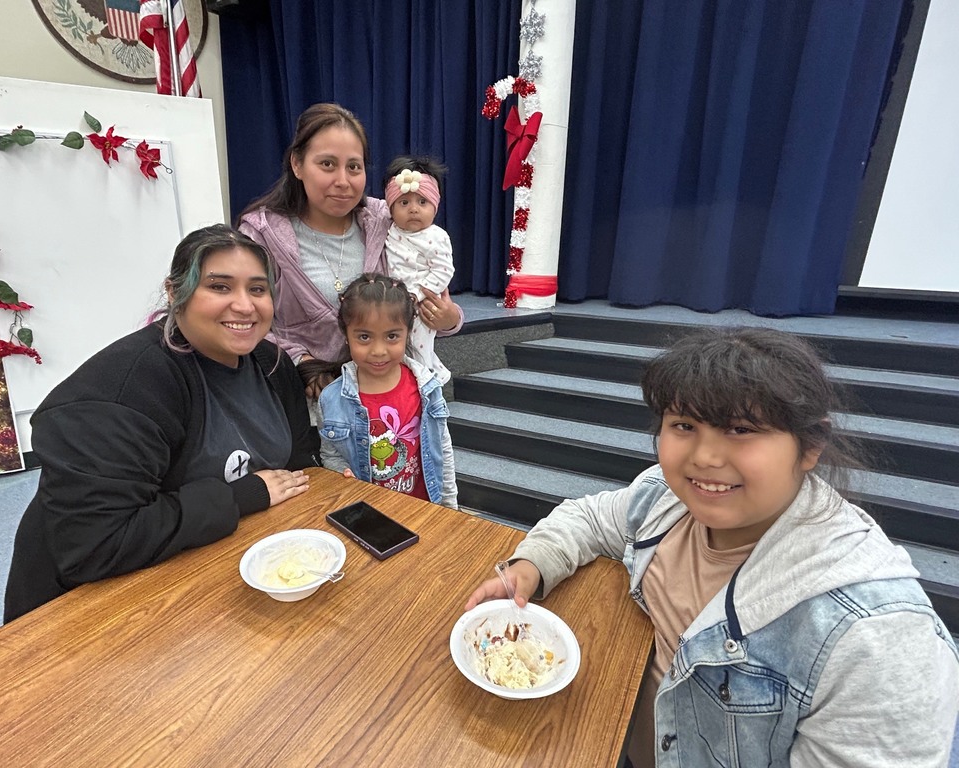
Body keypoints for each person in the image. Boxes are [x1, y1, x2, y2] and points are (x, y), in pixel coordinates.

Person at [464, 327, 959, 767]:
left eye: (741, 430)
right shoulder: (664, 499)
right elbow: (591, 517)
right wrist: (532, 565)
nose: (704, 457)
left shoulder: (879, 640)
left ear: (811, 446)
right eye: (684, 426)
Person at [4, 225, 320, 622]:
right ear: (174, 293)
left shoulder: (271, 363)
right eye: (220, 287)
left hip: (216, 567)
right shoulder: (123, 392)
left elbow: (298, 462)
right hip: (89, 607)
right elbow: (96, 545)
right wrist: (243, 496)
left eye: (257, 289)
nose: (245, 306)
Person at [237, 102, 464, 397]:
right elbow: (248, 320)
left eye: (354, 167)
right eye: (327, 164)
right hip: (299, 399)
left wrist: (450, 319)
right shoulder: (263, 235)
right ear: (297, 164)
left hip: (387, 397)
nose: (343, 181)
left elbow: (430, 290)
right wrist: (302, 363)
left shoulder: (387, 221)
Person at [317, 274, 457, 508]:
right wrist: (344, 481)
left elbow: (442, 448)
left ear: (408, 333)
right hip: (369, 512)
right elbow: (331, 454)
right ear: (346, 335)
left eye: (392, 336)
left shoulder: (426, 388)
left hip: (424, 509)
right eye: (364, 337)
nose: (379, 350)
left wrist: (450, 505)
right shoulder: (332, 399)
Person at [382, 155, 454, 382]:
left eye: (422, 202)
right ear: (391, 208)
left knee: (420, 347)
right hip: (391, 303)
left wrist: (418, 294)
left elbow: (443, 271)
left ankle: (428, 380)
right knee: (396, 347)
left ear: (435, 206)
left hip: (423, 304)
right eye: (404, 203)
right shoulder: (388, 231)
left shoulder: (436, 236)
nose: (413, 209)